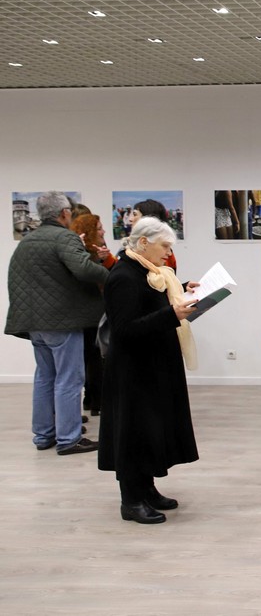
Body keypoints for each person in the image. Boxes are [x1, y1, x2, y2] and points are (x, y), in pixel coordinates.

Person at [98, 217, 199, 524]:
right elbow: (125, 329)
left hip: (152, 366)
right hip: (133, 372)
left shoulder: (147, 272)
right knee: (133, 432)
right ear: (143, 243)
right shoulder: (123, 277)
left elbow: (147, 304)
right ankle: (130, 500)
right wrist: (172, 314)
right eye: (164, 246)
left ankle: (147, 489)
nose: (168, 254)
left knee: (150, 429)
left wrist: (181, 289)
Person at [5, 191, 108, 454]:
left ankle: (44, 435)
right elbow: (84, 271)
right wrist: (106, 271)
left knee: (45, 378)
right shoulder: (64, 237)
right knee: (70, 379)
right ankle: (69, 438)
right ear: (64, 214)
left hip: (34, 323)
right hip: (61, 322)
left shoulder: (27, 241)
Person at [70, 213, 116, 416]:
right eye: (98, 228)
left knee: (92, 359)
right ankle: (96, 402)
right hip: (89, 314)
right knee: (94, 359)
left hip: (91, 312)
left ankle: (93, 401)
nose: (103, 231)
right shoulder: (80, 256)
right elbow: (103, 281)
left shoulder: (92, 253)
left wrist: (106, 260)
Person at [131, 199, 178, 271]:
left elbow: (167, 280)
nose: (131, 219)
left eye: (135, 214)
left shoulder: (162, 255)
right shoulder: (130, 246)